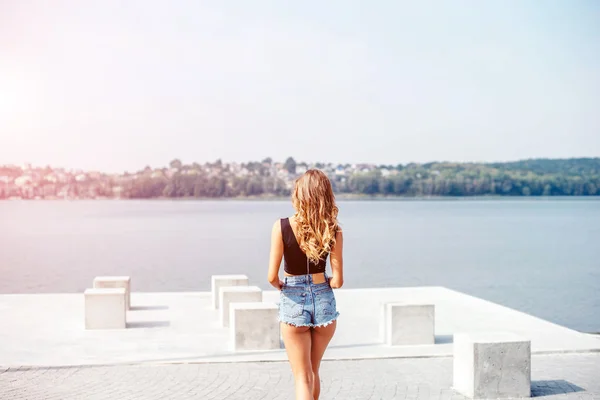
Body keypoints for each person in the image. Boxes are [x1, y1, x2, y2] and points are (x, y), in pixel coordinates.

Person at [268, 169, 344, 400]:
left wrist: (282, 285)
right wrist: (325, 282)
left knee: (302, 377)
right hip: (323, 300)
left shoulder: (280, 226)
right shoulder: (334, 229)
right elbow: (338, 281)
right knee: (313, 371)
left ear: (299, 195)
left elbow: (271, 276)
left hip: (293, 298)